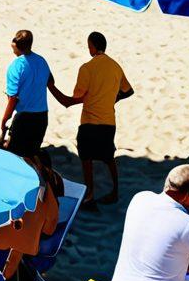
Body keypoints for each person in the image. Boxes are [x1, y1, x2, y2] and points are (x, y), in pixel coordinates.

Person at [53, 32, 133, 208]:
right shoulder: (115, 67)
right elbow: (128, 91)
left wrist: (51, 87)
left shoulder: (87, 68)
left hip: (89, 121)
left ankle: (89, 194)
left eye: (89, 46)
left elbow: (75, 97)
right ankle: (115, 191)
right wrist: (113, 99)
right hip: (108, 121)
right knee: (108, 156)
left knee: (86, 157)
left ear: (93, 47)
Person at [1, 29, 63, 157]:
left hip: (24, 118)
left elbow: (13, 98)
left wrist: (4, 120)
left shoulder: (16, 66)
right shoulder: (42, 61)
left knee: (14, 156)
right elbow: (51, 81)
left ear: (16, 46)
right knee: (31, 155)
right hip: (42, 117)